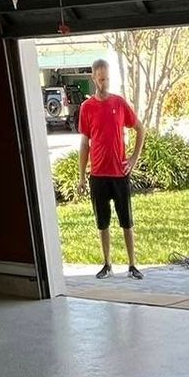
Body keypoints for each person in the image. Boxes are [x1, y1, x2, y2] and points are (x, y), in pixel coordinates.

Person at [76, 59, 145, 279]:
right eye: (100, 79)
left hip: (119, 173)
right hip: (98, 175)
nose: (104, 83)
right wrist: (81, 177)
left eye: (107, 78)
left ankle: (132, 264)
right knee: (102, 221)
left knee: (126, 220)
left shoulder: (119, 103)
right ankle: (107, 263)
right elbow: (84, 144)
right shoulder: (87, 108)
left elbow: (140, 128)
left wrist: (133, 158)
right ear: (93, 78)